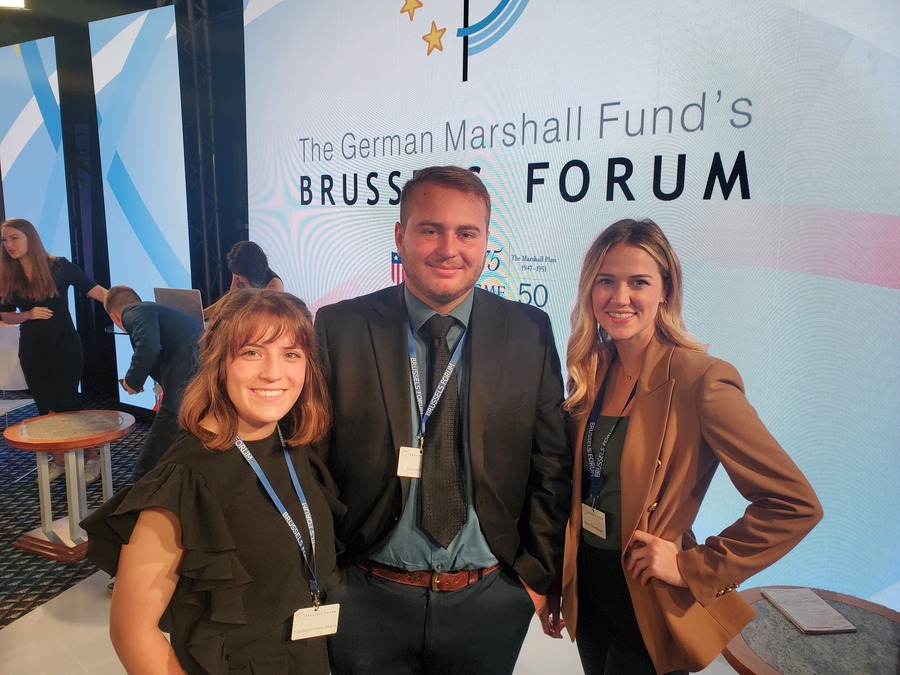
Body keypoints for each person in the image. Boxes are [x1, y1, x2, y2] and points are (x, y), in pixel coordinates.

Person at [313, 165, 571, 674]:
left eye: (466, 232)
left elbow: (552, 464)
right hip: (366, 594)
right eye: (430, 229)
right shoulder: (340, 327)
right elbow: (311, 461)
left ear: (485, 241)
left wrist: (534, 578)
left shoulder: (529, 331)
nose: (448, 248)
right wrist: (328, 575)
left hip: (490, 599)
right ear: (400, 237)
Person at [559, 219, 823, 674]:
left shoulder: (701, 380)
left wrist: (692, 568)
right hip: (589, 592)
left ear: (665, 291)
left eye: (637, 282)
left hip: (648, 602)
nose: (619, 297)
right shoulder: (590, 372)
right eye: (606, 281)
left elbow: (794, 504)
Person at [82, 289, 339, 674]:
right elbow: (132, 632)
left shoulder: (288, 443)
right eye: (252, 352)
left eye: (291, 354)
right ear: (219, 362)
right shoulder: (188, 477)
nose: (273, 372)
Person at [0, 217, 108, 483]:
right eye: (4, 240)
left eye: (14, 238)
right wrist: (27, 314)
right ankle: (58, 461)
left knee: (69, 406)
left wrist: (126, 307)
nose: (8, 245)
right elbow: (4, 316)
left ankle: (92, 458)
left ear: (30, 238)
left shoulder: (58, 266)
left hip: (64, 347)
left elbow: (94, 290)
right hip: (32, 350)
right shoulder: (8, 273)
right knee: (45, 407)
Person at [104, 285, 203, 480]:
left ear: (114, 317)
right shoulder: (155, 310)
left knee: (146, 469)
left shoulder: (133, 312)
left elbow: (148, 346)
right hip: (199, 387)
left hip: (183, 393)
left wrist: (132, 380)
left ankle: (136, 507)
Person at [204, 240, 284, 320]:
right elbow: (231, 298)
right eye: (235, 274)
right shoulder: (238, 270)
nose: (238, 278)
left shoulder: (274, 284)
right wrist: (205, 313)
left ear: (250, 271)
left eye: (240, 275)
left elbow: (268, 318)